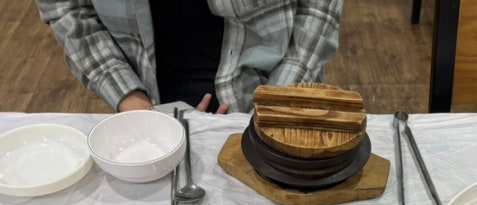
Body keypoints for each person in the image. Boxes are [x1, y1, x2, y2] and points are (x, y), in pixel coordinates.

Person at [35, 0, 343, 113]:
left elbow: (320, 9)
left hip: (270, 89)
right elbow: (68, 10)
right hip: (148, 102)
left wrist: (274, 102)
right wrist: (130, 100)